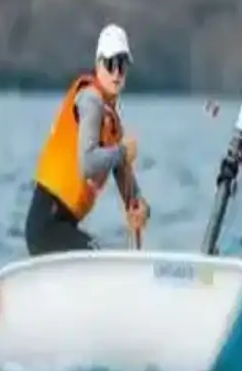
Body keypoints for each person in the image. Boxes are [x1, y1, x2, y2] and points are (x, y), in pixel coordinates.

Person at [24, 24, 151, 255]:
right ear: (98, 65)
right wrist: (122, 152)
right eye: (111, 64)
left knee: (101, 255)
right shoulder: (91, 100)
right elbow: (88, 163)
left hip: (64, 224)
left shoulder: (111, 121)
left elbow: (121, 172)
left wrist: (138, 204)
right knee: (99, 257)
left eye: (122, 65)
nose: (116, 73)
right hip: (47, 224)